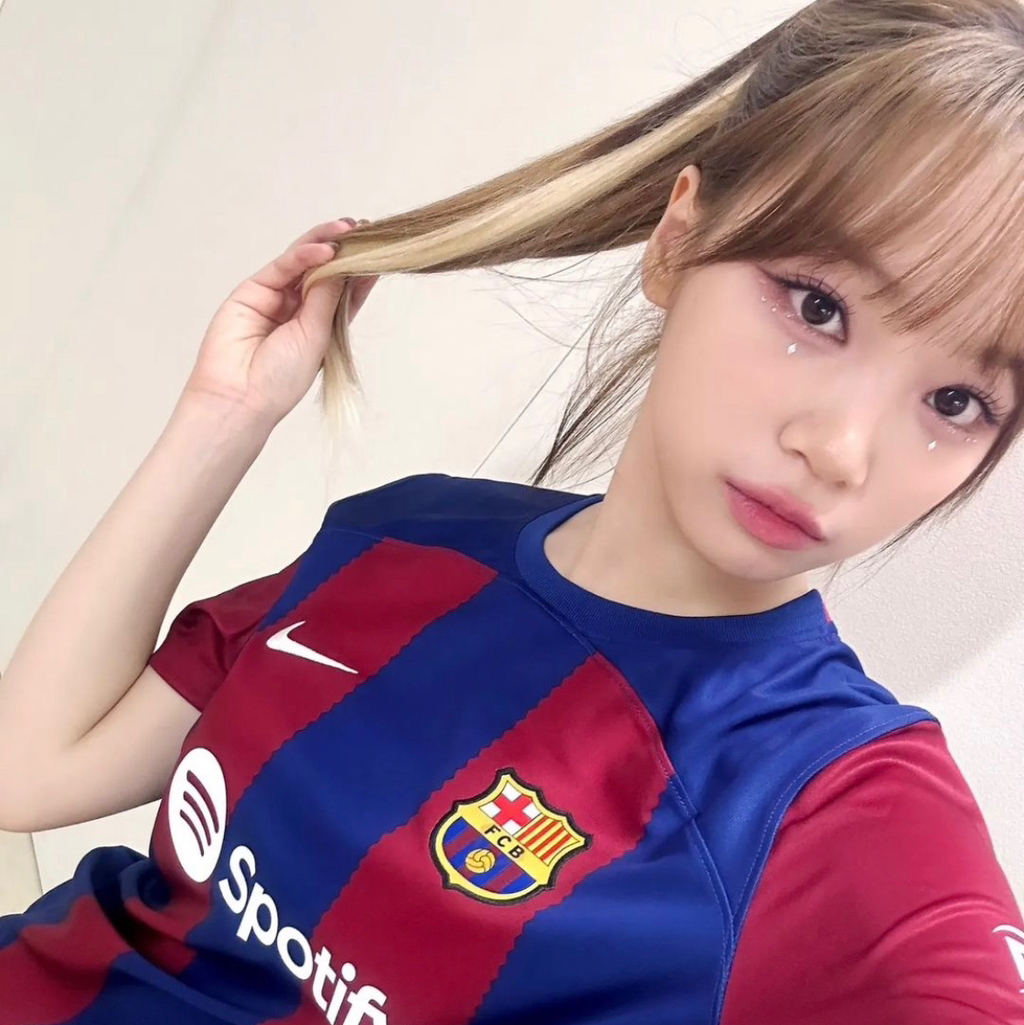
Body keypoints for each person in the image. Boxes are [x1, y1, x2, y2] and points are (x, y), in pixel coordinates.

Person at [1, 0, 1023, 1021]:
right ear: (677, 240)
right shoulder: (404, 535)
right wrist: (224, 416)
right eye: (816, 306)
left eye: (956, 402)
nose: (841, 450)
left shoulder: (821, 795)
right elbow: (34, 771)